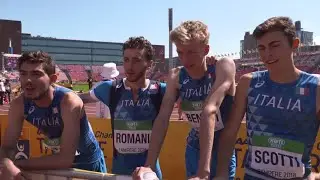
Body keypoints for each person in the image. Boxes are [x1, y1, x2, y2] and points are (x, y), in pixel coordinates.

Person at [214, 16, 320, 180]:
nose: (267, 54)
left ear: (294, 44)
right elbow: (229, 133)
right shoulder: (249, 82)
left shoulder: (315, 87)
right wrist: (221, 174)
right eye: (261, 48)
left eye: (275, 46)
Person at [133, 20, 236, 180]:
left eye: (191, 52)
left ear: (206, 50)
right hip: (194, 149)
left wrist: (203, 172)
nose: (185, 59)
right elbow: (162, 118)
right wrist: (150, 164)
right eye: (180, 52)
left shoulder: (222, 66)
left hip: (223, 151)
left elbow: (210, 110)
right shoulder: (176, 76)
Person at [0, 51, 106, 179]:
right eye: (23, 73)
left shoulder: (69, 102)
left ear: (53, 79)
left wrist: (16, 164)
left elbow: (65, 159)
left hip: (89, 167)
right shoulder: (19, 104)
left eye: (36, 74)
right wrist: (7, 164)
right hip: (56, 168)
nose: (28, 80)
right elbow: (7, 147)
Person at [79, 37, 166, 178]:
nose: (129, 66)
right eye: (126, 60)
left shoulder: (161, 90)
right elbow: (75, 99)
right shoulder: (110, 89)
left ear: (149, 64)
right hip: (119, 172)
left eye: (136, 60)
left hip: (150, 173)